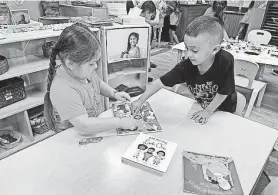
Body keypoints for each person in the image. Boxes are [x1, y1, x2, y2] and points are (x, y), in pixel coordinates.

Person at [132, 16, 237, 125]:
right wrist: (140, 100)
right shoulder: (187, 66)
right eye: (187, 48)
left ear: (215, 49)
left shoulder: (225, 60)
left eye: (194, 50)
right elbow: (160, 82)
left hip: (224, 110)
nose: (188, 54)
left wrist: (208, 111)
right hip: (202, 107)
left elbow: (224, 91)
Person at [44, 23, 138, 134]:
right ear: (70, 63)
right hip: (73, 137)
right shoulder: (62, 88)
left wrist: (114, 94)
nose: (96, 67)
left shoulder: (83, 71)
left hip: (94, 128)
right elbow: (84, 126)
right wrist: (120, 122)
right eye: (91, 64)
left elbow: (98, 83)